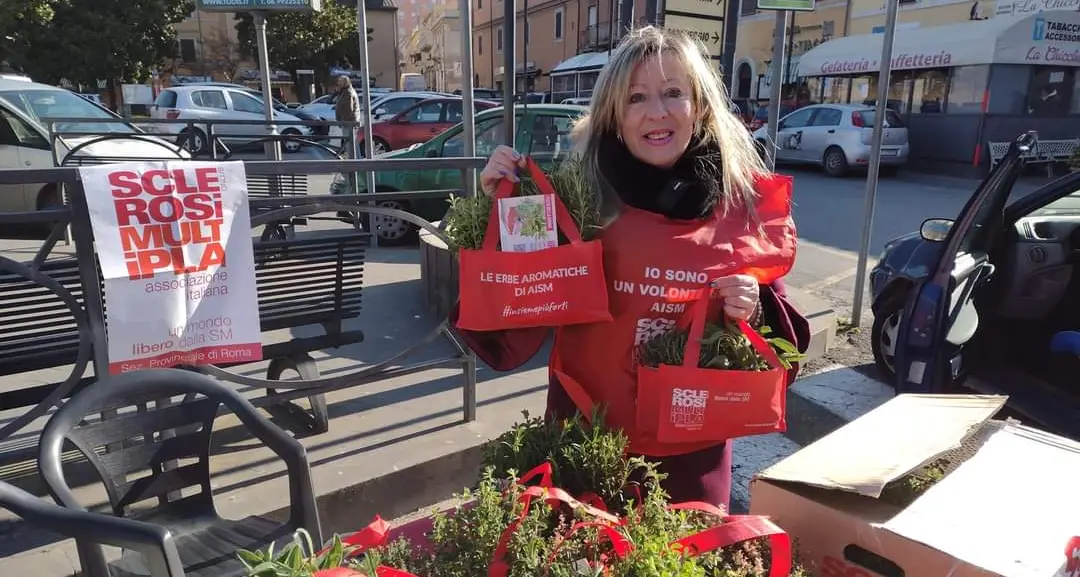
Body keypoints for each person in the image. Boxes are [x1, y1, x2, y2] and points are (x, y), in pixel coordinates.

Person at [452, 26, 809, 509]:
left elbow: (783, 344)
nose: (657, 112)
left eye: (673, 93)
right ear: (614, 116)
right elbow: (513, 316)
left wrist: (753, 304)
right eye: (636, 97)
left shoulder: (743, 205)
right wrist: (503, 213)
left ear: (700, 106)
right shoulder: (578, 202)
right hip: (585, 447)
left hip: (689, 459)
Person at [334, 75, 360, 155]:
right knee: (352, 144)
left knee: (350, 145)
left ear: (344, 82)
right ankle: (357, 163)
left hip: (348, 122)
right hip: (350, 121)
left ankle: (354, 164)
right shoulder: (346, 91)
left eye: (340, 81)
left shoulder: (347, 93)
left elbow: (348, 110)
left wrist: (342, 121)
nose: (338, 83)